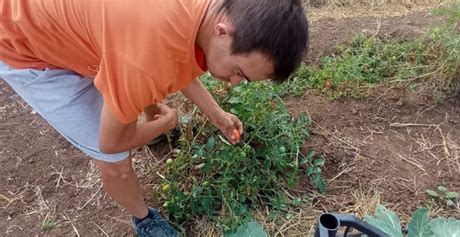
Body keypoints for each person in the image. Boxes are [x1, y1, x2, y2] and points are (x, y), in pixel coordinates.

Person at [0, 0, 308, 236]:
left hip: (83, 29)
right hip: (25, 44)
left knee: (139, 79)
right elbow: (110, 142)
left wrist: (217, 115)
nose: (234, 82)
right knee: (117, 164)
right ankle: (144, 220)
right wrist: (165, 122)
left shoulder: (204, 14)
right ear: (223, 30)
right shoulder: (146, 56)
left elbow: (176, 60)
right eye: (238, 72)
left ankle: (150, 125)